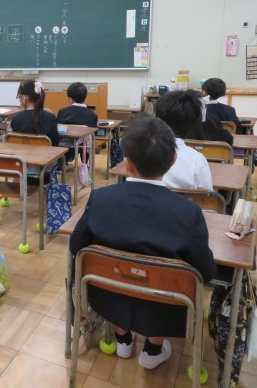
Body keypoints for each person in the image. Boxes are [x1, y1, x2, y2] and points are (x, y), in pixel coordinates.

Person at [70, 113, 217, 369]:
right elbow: (204, 272)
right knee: (168, 281)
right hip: (164, 308)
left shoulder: (101, 199)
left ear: (126, 163)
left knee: (114, 273)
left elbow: (76, 246)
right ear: (173, 160)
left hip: (107, 298)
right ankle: (153, 347)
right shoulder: (188, 213)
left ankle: (123, 339)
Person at [155, 90, 213, 190]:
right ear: (194, 122)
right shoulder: (197, 159)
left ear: (158, 119)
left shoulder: (142, 151)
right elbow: (207, 196)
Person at [56, 82, 98, 162]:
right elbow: (93, 133)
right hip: (82, 146)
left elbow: (57, 129)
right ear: (85, 97)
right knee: (87, 139)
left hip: (63, 145)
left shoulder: (62, 111)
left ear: (70, 99)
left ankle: (64, 163)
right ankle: (85, 164)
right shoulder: (92, 114)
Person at [10, 80, 59, 146]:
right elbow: (55, 142)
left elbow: (15, 142)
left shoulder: (16, 118)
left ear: (24, 98)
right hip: (45, 152)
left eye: (19, 97)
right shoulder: (50, 117)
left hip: (22, 152)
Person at [201, 78, 241, 144]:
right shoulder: (230, 110)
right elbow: (238, 131)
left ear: (204, 92)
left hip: (197, 147)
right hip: (224, 148)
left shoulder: (196, 110)